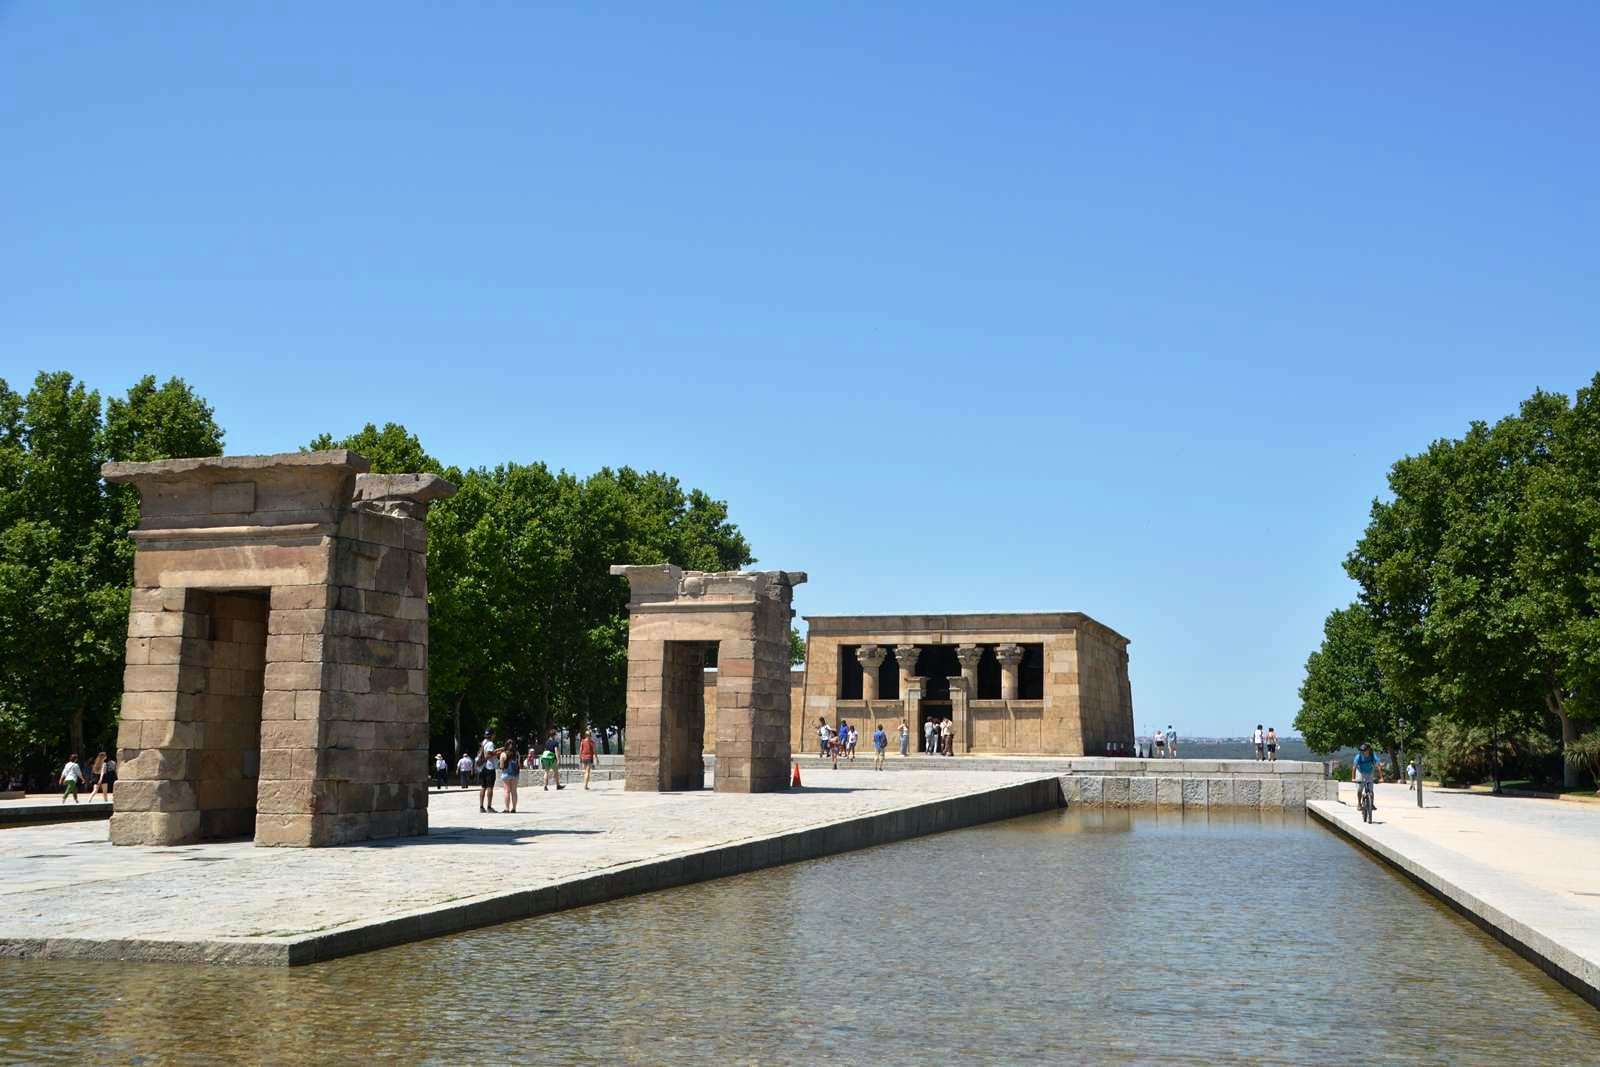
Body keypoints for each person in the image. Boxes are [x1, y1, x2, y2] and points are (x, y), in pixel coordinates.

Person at [1353, 742, 1380, 811]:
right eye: (1361, 750)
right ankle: (1359, 804)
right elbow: (1354, 768)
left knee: (1371, 790)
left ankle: (1372, 803)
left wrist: (1381, 777)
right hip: (1360, 772)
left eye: (1364, 750)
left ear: (1368, 750)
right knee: (1360, 789)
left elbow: (1377, 766)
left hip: (1369, 772)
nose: (1362, 752)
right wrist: (1353, 778)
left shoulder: (1373, 755)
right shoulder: (1358, 756)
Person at [478, 731, 498, 813]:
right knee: (490, 787)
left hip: (482, 767)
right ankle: (489, 807)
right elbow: (488, 755)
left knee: (483, 787)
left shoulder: (483, 742)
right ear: (492, 735)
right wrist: (496, 752)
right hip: (489, 767)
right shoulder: (490, 744)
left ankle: (481, 806)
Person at [500, 747, 520, 812]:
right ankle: (514, 808)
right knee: (514, 791)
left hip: (506, 774)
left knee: (507, 791)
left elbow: (501, 766)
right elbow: (519, 764)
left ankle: (507, 808)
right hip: (515, 774)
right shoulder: (517, 754)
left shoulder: (503, 754)